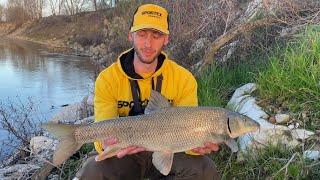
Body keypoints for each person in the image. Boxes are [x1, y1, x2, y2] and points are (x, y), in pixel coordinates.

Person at [76, 3, 221, 180]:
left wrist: (197, 145)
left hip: (169, 151)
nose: (148, 43)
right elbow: (103, 131)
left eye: (156, 35)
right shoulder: (108, 79)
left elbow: (188, 134)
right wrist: (104, 144)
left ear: (166, 38)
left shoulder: (184, 79)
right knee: (92, 171)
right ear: (131, 35)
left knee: (205, 169)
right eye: (141, 34)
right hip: (126, 154)